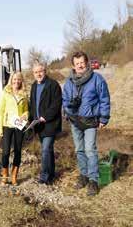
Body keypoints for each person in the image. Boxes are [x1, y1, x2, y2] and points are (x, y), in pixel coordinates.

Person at [63, 51, 110, 196]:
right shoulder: (69, 82)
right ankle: (83, 176)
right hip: (75, 121)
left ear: (87, 63)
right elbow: (64, 100)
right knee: (79, 150)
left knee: (90, 150)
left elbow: (104, 99)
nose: (80, 66)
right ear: (73, 65)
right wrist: (67, 109)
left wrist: (104, 117)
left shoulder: (97, 79)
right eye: (77, 63)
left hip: (90, 121)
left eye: (82, 63)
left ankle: (93, 181)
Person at [29, 62, 62, 185]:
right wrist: (30, 119)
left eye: (40, 71)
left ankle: (44, 177)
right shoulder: (33, 86)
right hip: (38, 125)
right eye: (36, 72)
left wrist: (45, 117)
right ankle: (51, 174)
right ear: (33, 74)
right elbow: (32, 104)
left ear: (45, 71)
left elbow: (56, 104)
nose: (39, 74)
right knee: (48, 150)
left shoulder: (53, 85)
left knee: (45, 149)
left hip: (50, 124)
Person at [0, 71, 29, 185]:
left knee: (18, 151)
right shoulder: (6, 93)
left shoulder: (24, 94)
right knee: (5, 152)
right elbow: (0, 111)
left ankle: (14, 175)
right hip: (7, 125)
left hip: (19, 126)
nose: (16, 81)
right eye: (14, 79)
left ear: (21, 81)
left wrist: (25, 116)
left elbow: (26, 110)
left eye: (19, 79)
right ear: (11, 80)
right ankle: (5, 174)